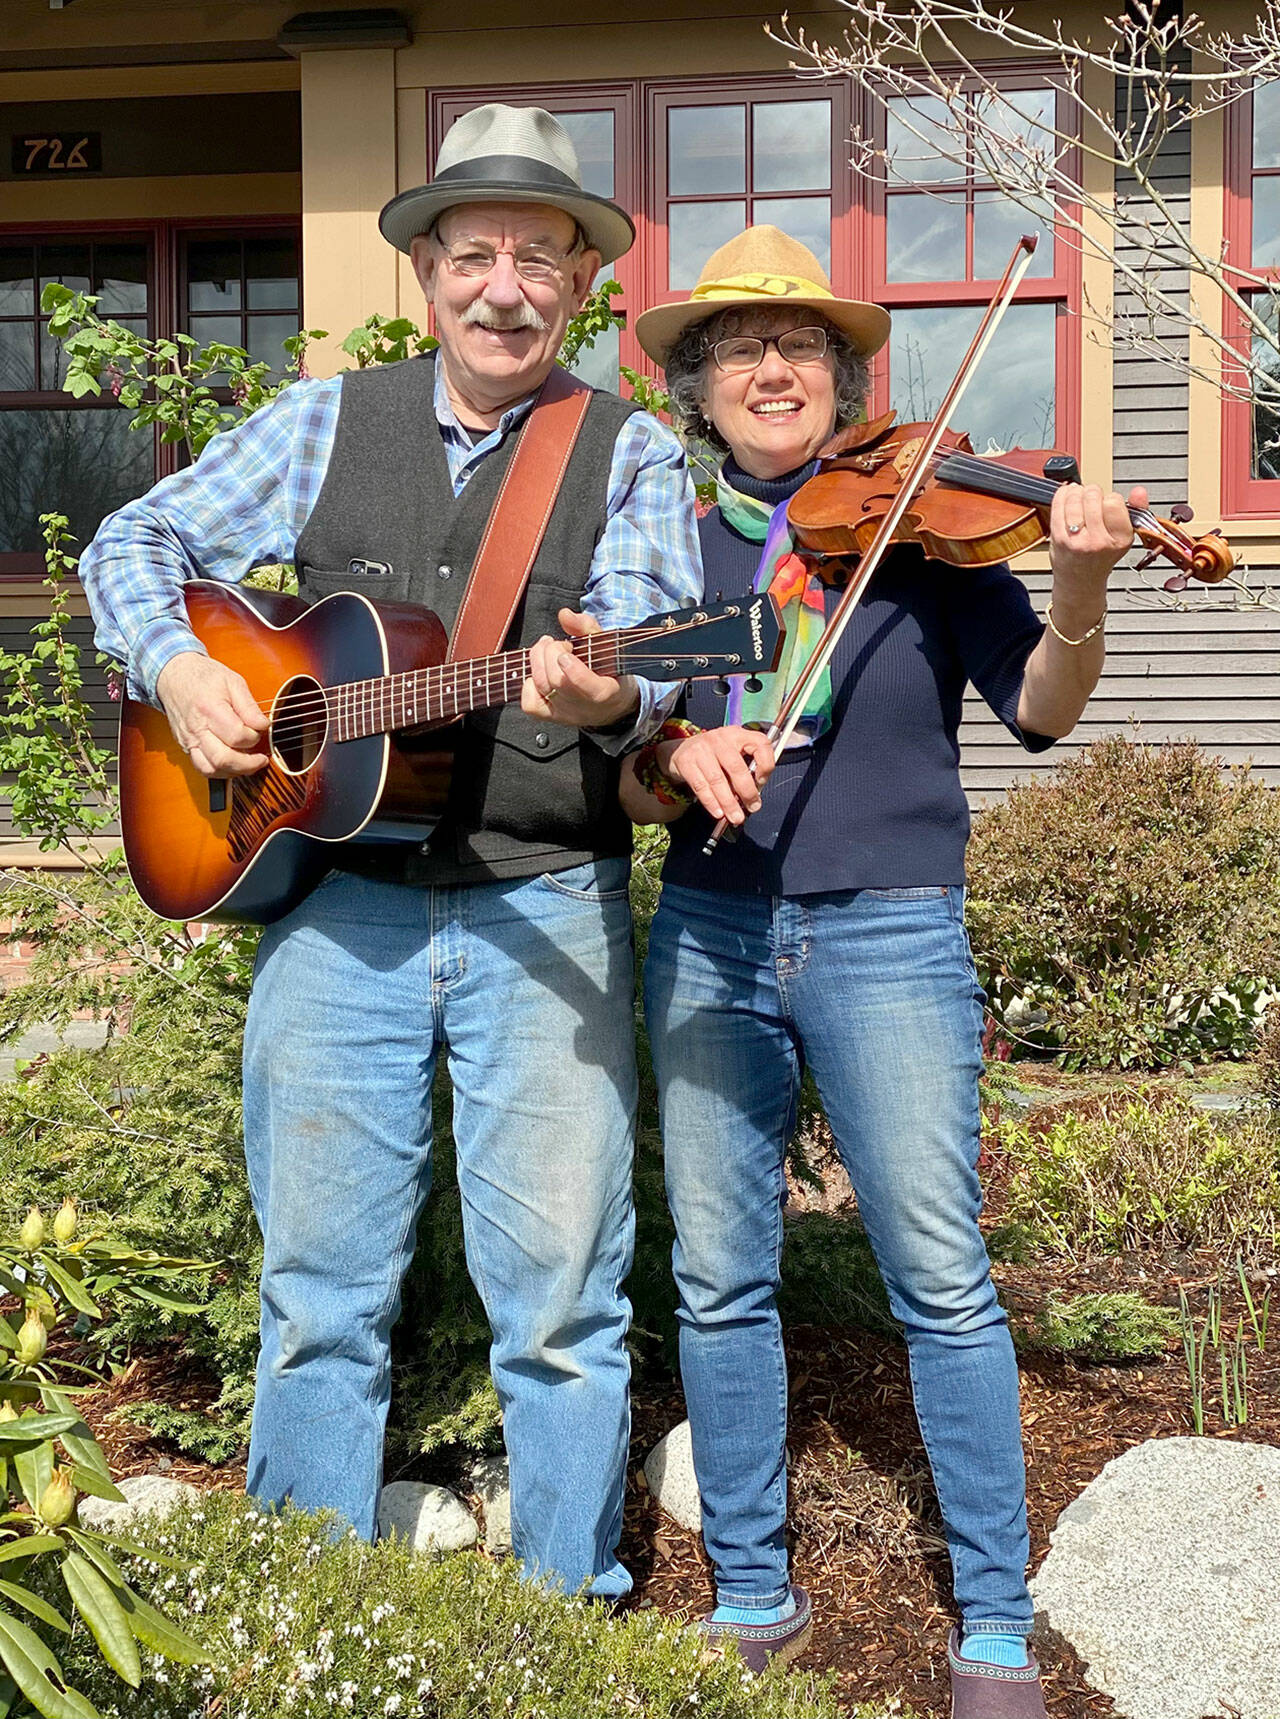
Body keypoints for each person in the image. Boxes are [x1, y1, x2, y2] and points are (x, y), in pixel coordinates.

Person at [78, 104, 702, 1599]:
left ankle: (567, 1624)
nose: (505, 288)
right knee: (316, 1299)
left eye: (539, 259)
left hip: (542, 902)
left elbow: (655, 657)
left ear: (581, 285)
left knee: (563, 1306)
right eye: (475, 254)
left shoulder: (628, 451)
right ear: (427, 274)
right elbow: (129, 546)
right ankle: (304, 1617)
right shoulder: (322, 423)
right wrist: (180, 671)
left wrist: (605, 692)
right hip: (335, 909)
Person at [624, 225, 1139, 1710]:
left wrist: (1084, 585)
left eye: (800, 346)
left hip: (890, 930)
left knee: (941, 1277)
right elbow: (632, 766)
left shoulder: (923, 524)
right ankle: (754, 1592)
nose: (772, 369)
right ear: (699, 385)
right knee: (720, 1277)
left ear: (843, 378)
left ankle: (994, 1621)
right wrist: (671, 753)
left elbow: (1042, 706)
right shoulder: (671, 545)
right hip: (709, 926)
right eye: (739, 349)